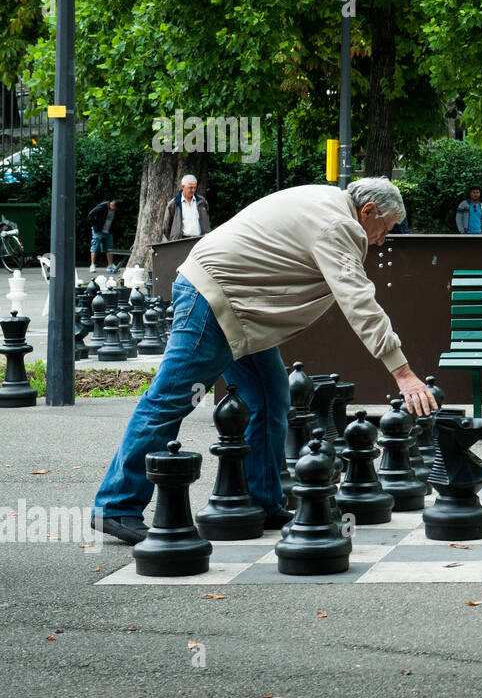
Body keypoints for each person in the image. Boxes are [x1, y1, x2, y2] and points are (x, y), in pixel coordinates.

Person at [90, 178, 436, 545]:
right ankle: (116, 507)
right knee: (168, 399)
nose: (382, 239)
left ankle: (261, 501)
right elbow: (358, 300)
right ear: (367, 211)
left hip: (240, 307)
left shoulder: (326, 202)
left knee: (272, 398)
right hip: (214, 298)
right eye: (385, 228)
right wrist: (402, 371)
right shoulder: (339, 224)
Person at [161, 175, 211, 241]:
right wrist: (173, 239)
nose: (193, 190)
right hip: (181, 241)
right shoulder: (174, 203)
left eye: (195, 187)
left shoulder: (202, 201)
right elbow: (166, 227)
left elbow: (206, 217)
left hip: (200, 240)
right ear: (183, 187)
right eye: (190, 188)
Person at [87, 198, 119, 272]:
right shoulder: (102, 206)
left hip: (108, 231)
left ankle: (110, 265)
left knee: (109, 248)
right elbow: (91, 214)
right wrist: (96, 225)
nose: (116, 210)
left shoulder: (115, 210)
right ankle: (92, 265)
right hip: (98, 231)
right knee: (95, 247)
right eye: (115, 208)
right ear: (111, 205)